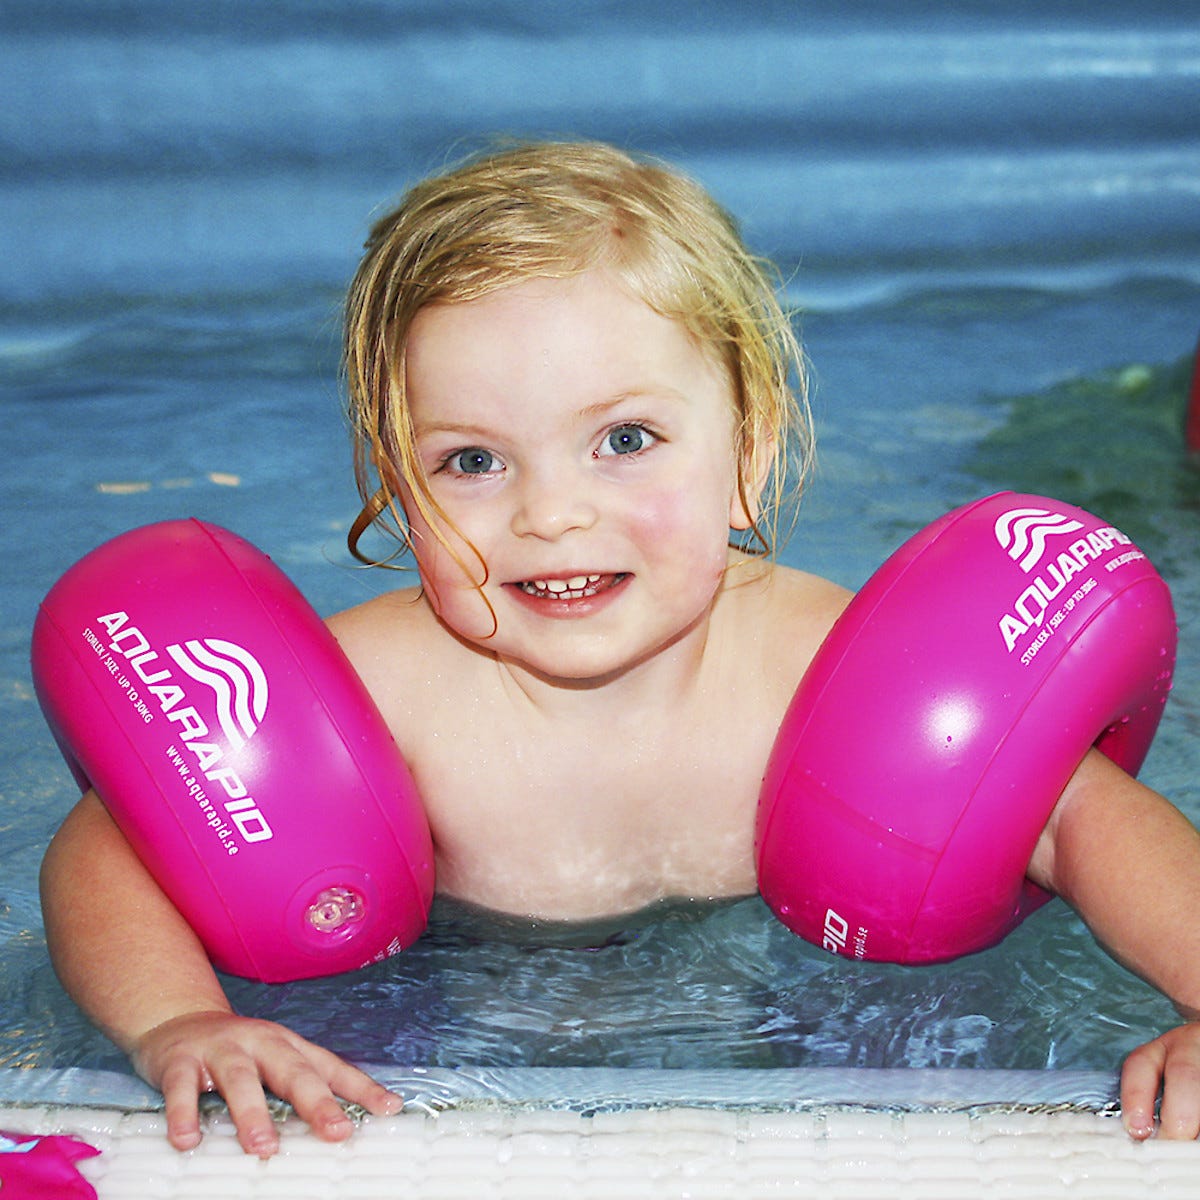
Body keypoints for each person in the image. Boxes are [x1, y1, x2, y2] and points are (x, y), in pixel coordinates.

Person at [38, 141, 1200, 1158]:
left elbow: (1074, 817)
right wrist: (178, 1020)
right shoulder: (370, 698)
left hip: (794, 1035)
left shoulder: (832, 674)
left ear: (748, 453)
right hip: (442, 1030)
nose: (551, 514)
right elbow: (115, 841)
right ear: (396, 491)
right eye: (472, 462)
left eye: (626, 439)